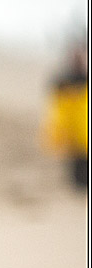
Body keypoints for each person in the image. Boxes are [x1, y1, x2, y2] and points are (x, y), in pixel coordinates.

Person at [42, 38, 88, 190]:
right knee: (76, 164)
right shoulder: (63, 80)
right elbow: (57, 106)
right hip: (74, 130)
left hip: (84, 128)